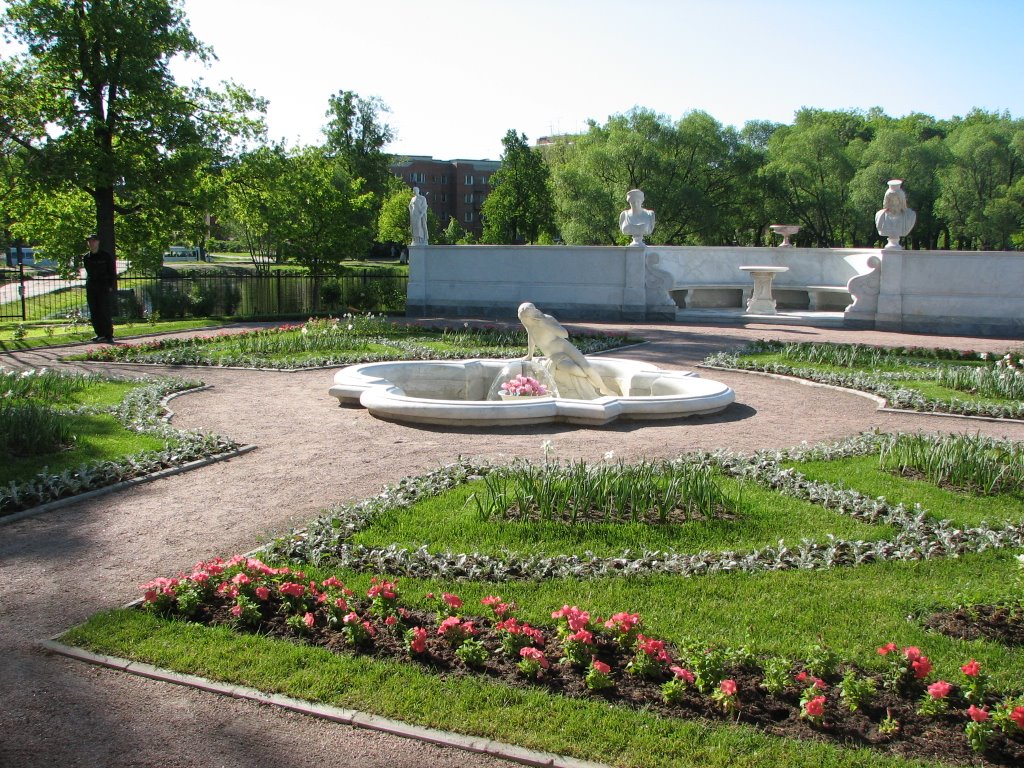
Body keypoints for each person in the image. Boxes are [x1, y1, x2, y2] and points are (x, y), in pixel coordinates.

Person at [83, 233, 117, 343]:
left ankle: (108, 334)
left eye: (93, 241)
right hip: (92, 286)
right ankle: (99, 333)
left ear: (98, 242)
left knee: (104, 310)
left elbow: (112, 272)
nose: (91, 243)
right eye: (89, 241)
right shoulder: (86, 257)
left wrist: (111, 285)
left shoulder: (105, 256)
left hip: (103, 286)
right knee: (94, 311)